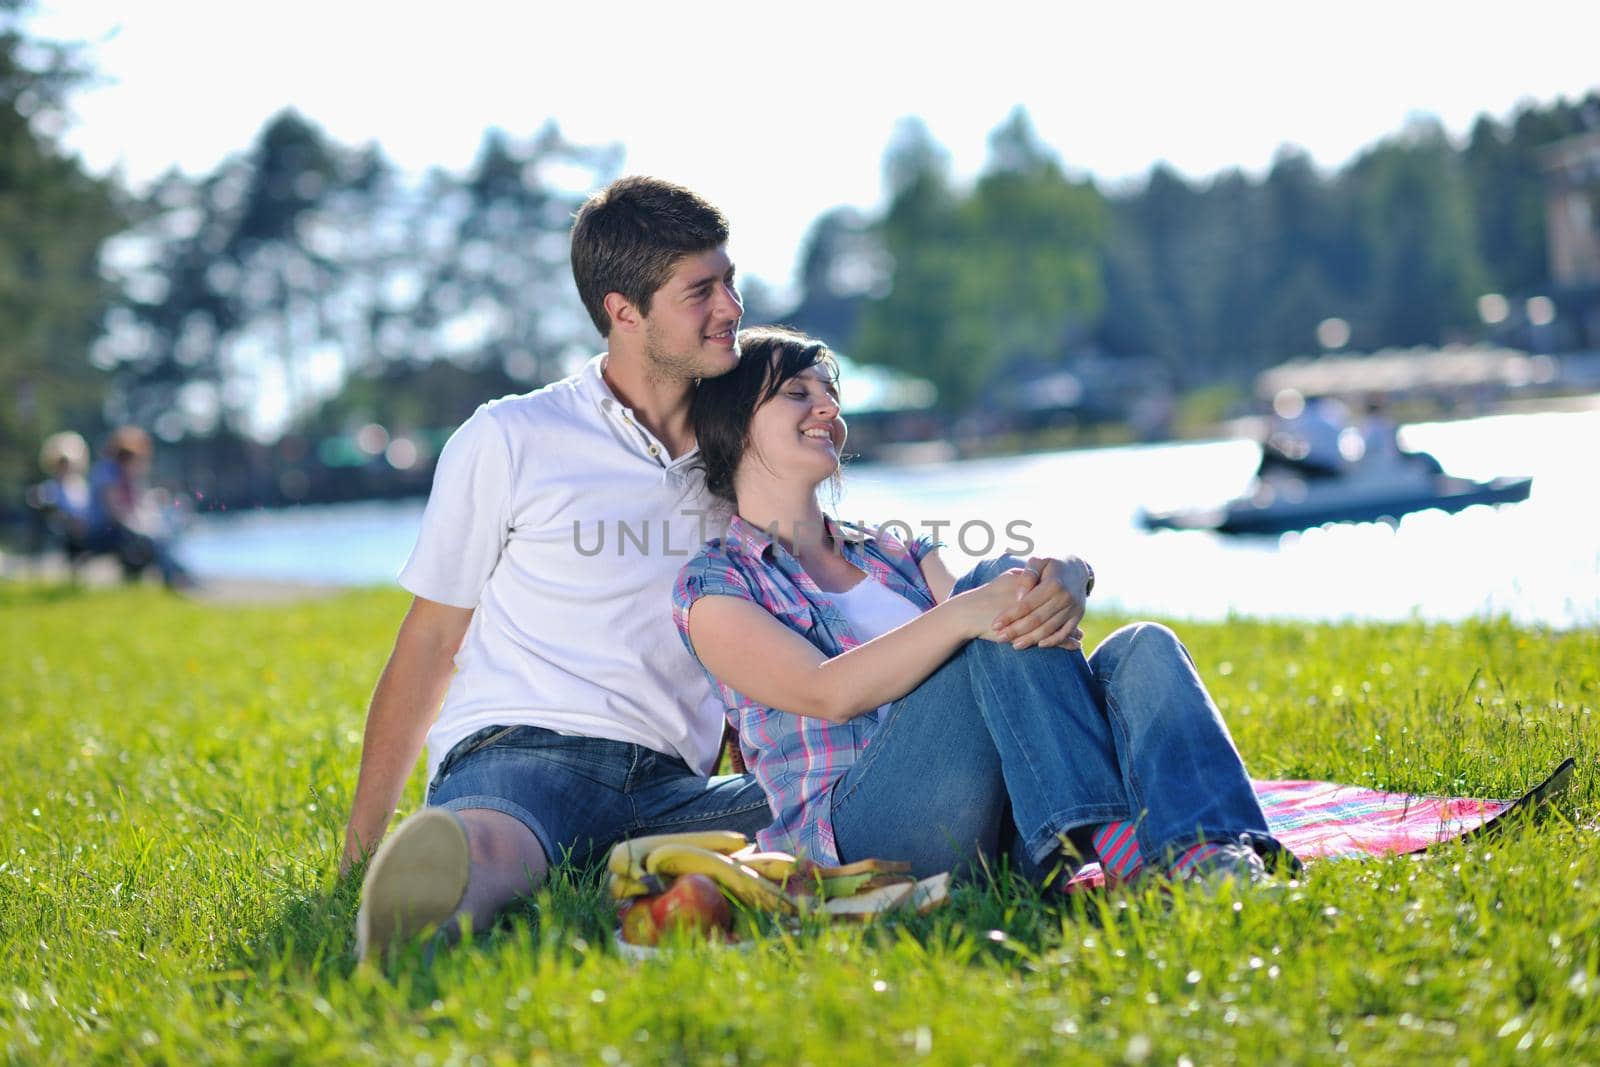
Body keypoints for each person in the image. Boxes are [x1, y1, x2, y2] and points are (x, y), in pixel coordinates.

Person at [674, 327, 1296, 888]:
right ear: (735, 422)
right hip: (863, 839)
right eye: (796, 392)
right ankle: (1123, 848)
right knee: (992, 592)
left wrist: (1072, 574)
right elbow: (824, 693)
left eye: (828, 392)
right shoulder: (716, 585)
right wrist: (972, 609)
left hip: (1005, 825)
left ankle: (1216, 858)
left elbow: (1008, 619)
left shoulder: (898, 553)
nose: (828, 408)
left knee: (1144, 648)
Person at [84, 426, 195, 590]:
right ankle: (177, 580)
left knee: (159, 537)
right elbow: (115, 512)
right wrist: (144, 529)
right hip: (103, 532)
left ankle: (179, 577)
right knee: (152, 541)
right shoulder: (106, 472)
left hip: (118, 530)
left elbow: (139, 509)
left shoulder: (126, 474)